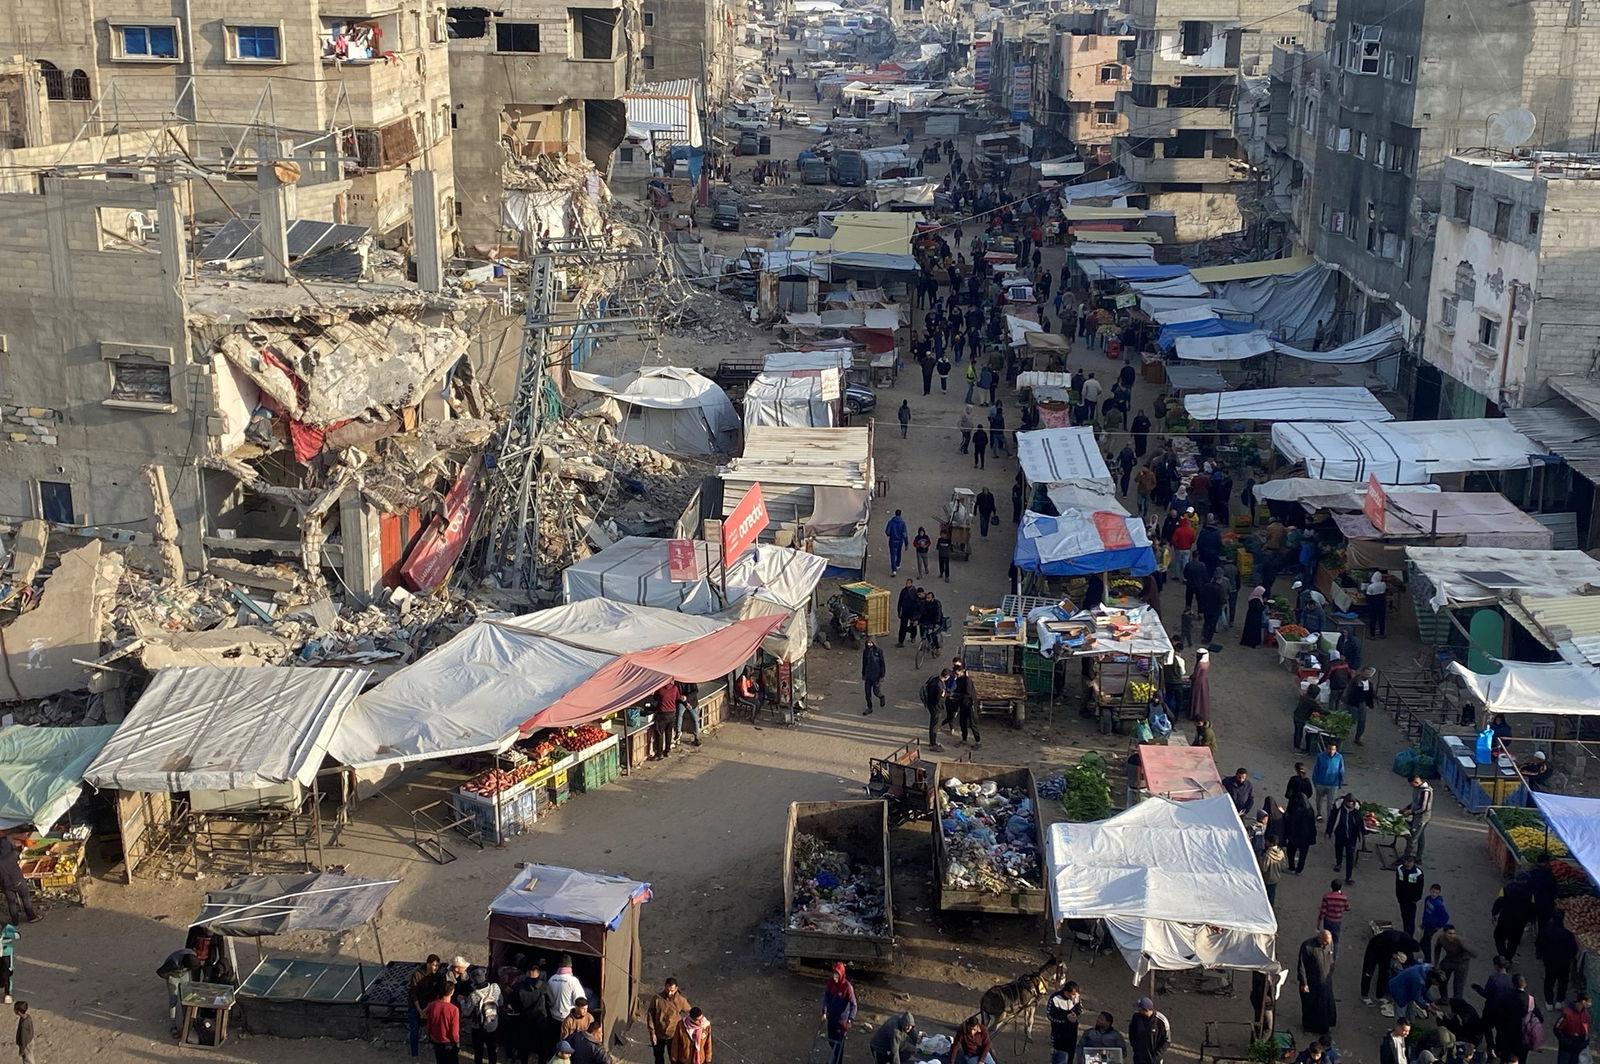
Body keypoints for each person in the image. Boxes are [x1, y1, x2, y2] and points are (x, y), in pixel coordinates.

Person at [1362, 929, 1421, 1004]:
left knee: (1384, 973)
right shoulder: (1395, 939)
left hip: (1387, 953)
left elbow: (1409, 958)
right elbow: (1384, 949)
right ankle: (1364, 995)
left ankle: (1380, 995)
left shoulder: (1407, 943)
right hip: (1375, 948)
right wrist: (1392, 955)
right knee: (1368, 972)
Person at [1298, 930, 1338, 1036]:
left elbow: (1331, 958)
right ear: (1320, 938)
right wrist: (1304, 983)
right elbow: (1301, 966)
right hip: (1312, 983)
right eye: (1325, 942)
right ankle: (1309, 1028)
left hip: (1325, 982)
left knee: (1325, 1005)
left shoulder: (1329, 944)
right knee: (1310, 1005)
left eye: (1328, 942)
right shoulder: (1307, 946)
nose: (1326, 945)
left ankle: (1324, 1027)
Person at [1538, 910, 1580, 1008]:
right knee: (1563, 982)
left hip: (1550, 962)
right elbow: (1574, 950)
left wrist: (1544, 956)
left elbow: (1539, 945)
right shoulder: (1568, 934)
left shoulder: (1545, 931)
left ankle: (1549, 1002)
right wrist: (1568, 957)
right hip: (1563, 962)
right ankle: (1559, 1001)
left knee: (1549, 981)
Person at [157, 946, 201, 1038]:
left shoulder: (192, 956)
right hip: (173, 976)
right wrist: (169, 978)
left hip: (184, 975)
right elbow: (160, 972)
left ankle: (186, 1022)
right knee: (173, 1001)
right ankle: (173, 1026)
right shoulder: (173, 963)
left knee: (186, 998)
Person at [1494, 875, 1537, 961]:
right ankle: (1508, 958)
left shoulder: (1506, 888)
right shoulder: (1530, 893)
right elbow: (1532, 908)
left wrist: (1494, 913)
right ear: (1525, 881)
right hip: (1520, 922)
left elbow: (1499, 901)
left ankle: (1502, 954)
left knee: (1498, 937)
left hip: (1505, 918)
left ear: (1515, 879)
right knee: (1514, 941)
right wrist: (1532, 921)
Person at [647, 979, 690, 1064]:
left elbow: (689, 1013)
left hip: (673, 1035)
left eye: (672, 991)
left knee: (674, 1059)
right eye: (667, 990)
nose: (669, 993)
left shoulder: (681, 1000)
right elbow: (650, 1015)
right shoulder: (657, 999)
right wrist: (652, 1033)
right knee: (658, 1058)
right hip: (659, 1034)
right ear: (664, 987)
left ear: (676, 989)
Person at [409, 956, 445, 1056]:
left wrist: (428, 1007)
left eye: (437, 966)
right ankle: (414, 1052)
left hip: (430, 1005)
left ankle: (433, 1047)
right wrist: (420, 1010)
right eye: (434, 965)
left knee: (434, 1027)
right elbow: (413, 994)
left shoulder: (438, 976)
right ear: (428, 964)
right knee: (414, 1029)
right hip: (416, 1005)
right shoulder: (417, 975)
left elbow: (439, 993)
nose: (436, 968)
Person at [821, 963, 857, 1064]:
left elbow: (854, 1005)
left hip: (841, 1021)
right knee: (831, 1041)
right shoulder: (830, 983)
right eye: (834, 975)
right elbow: (826, 997)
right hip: (831, 1018)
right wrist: (824, 1011)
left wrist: (850, 1019)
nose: (835, 978)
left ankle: (837, 1062)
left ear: (841, 975)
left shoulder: (847, 987)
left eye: (837, 976)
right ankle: (835, 1059)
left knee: (839, 1045)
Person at [465, 968, 502, 1064]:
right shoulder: (495, 988)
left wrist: (461, 1001)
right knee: (492, 1050)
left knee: (478, 1052)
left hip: (478, 1027)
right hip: (493, 1024)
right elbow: (501, 1002)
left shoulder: (474, 995)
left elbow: (467, 1012)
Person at [1327, 794, 1367, 882]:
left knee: (1350, 856)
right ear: (1345, 802)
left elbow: (1360, 822)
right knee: (1338, 849)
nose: (1351, 805)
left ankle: (1349, 876)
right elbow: (1332, 819)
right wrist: (1329, 831)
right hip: (1340, 834)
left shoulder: (1356, 811)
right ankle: (1338, 863)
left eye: (1352, 803)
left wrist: (1363, 831)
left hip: (1352, 837)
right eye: (1349, 802)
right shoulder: (1339, 809)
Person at [1434, 926, 1478, 1002]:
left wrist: (1466, 947)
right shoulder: (1441, 939)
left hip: (1462, 962)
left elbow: (1473, 952)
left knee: (1458, 985)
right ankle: (1444, 999)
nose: (1452, 936)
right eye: (1450, 933)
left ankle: (1456, 1004)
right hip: (1449, 959)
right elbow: (1437, 949)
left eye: (1454, 933)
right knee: (1441, 978)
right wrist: (1436, 964)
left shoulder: (1459, 941)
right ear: (1444, 933)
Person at [0, 834, 35, 930]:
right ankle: (31, 917)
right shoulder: (12, 855)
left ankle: (15, 921)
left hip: (6, 885)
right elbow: (19, 852)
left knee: (11, 903)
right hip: (18, 881)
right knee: (25, 899)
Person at [426, 981, 463, 1064]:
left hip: (436, 1041)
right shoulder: (454, 1009)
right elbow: (454, 1031)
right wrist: (457, 1042)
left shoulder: (432, 1005)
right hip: (449, 1043)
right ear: (452, 992)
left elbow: (429, 1024)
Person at [1047, 982, 1084, 1064]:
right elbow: (1050, 1015)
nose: (1075, 997)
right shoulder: (1055, 999)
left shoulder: (1076, 997)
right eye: (1073, 994)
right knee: (1060, 1057)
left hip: (1072, 1032)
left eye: (1076, 994)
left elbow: (1080, 1009)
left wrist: (1075, 1014)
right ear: (1067, 992)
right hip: (1059, 1033)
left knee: (1070, 1055)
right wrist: (1066, 1017)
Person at [1283, 792, 1318, 874]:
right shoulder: (1310, 810)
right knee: (1303, 854)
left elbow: (1290, 821)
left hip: (1295, 836)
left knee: (1291, 852)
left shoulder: (1297, 811)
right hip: (1307, 837)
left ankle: (1292, 867)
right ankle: (1299, 870)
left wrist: (1285, 814)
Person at [1128, 996, 1171, 1064]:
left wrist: (1157, 1056)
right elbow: (1132, 1033)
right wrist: (1136, 1048)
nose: (1138, 1011)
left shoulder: (1161, 1021)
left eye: (1140, 1010)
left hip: (1154, 1059)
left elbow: (1166, 1041)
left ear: (1146, 1010)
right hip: (1139, 1058)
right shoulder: (1136, 1018)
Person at [1312, 743, 1346, 821]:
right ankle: (1319, 814)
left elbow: (1341, 770)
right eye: (1330, 749)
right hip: (1321, 783)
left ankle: (1329, 819)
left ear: (1336, 749)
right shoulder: (1320, 756)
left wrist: (1340, 782)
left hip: (1333, 785)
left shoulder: (1339, 757)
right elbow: (1316, 769)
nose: (1331, 751)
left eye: (1333, 749)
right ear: (1327, 749)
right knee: (1319, 800)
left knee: (1330, 803)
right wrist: (1315, 781)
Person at [1554, 991, 1590, 1064]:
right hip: (1566, 1046)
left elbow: (1585, 1030)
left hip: (1577, 1046)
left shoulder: (1585, 1014)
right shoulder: (1567, 1013)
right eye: (1588, 1002)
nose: (1590, 1004)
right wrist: (1565, 1041)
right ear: (1583, 1002)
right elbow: (1556, 1029)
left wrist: (1585, 1043)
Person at [546, 956, 582, 1028]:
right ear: (570, 965)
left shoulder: (551, 979)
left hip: (552, 1016)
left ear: (559, 965)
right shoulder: (573, 980)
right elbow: (580, 1000)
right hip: (567, 1018)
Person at [1395, 855, 1426, 937]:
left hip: (1411, 901)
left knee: (1410, 920)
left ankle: (1409, 937)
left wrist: (1415, 899)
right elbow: (1397, 883)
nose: (1408, 864)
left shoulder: (1418, 873)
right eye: (1406, 862)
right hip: (1402, 898)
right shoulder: (1400, 869)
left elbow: (1420, 887)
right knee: (1404, 917)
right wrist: (1398, 896)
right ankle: (1406, 934)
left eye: (1410, 862)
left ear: (1413, 863)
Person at [1405, 776, 1434, 860]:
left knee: (1413, 839)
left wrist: (1411, 812)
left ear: (1416, 782)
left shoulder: (1426, 791)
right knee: (1420, 837)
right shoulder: (1418, 789)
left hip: (1421, 818)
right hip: (1416, 816)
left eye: (1411, 784)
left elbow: (1424, 808)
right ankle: (1418, 858)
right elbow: (1415, 802)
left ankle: (1406, 858)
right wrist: (1406, 808)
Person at [951, 664, 980, 747]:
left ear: (961, 672)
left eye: (957, 673)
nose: (956, 675)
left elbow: (968, 694)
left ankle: (978, 741)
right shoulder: (958, 680)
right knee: (962, 722)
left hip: (970, 705)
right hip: (963, 704)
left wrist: (955, 695)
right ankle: (964, 739)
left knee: (972, 723)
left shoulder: (967, 681)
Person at [1420, 885, 1451, 959]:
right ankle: (1426, 957)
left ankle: (1427, 960)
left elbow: (1446, 917)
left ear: (1439, 893)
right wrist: (1423, 923)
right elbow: (1425, 912)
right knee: (1424, 942)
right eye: (1433, 892)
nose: (1434, 894)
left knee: (1425, 943)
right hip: (1427, 924)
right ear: (1430, 890)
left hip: (1432, 927)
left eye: (1436, 893)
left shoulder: (1438, 904)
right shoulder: (1427, 899)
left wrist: (1438, 926)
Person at [1347, 668, 1376, 745]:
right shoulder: (1355, 680)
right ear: (1362, 673)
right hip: (1353, 703)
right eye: (1366, 674)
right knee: (1351, 720)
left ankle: (1358, 738)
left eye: (1369, 674)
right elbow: (1349, 690)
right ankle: (1344, 734)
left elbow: (1371, 692)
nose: (1368, 676)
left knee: (1362, 721)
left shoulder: (1369, 682)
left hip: (1363, 703)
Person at [921, 670, 948, 750]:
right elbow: (939, 699)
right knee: (934, 725)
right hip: (936, 708)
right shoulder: (939, 686)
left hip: (930, 705)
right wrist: (944, 695)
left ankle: (932, 742)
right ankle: (933, 743)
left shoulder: (934, 679)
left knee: (933, 724)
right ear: (946, 676)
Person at [1320, 880, 1351, 949]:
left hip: (1327, 920)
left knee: (1326, 937)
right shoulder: (1343, 898)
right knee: (1335, 940)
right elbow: (1348, 908)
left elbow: (1323, 910)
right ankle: (1333, 956)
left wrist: (1319, 921)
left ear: (1331, 887)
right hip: (1337, 921)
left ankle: (1325, 953)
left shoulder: (1327, 896)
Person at [861, 638, 886, 714]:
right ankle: (869, 707)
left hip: (876, 676)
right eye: (868, 643)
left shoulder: (879, 651)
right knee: (867, 693)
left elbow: (882, 664)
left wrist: (882, 675)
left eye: (871, 643)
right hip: (868, 675)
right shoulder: (865, 652)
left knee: (876, 691)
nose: (869, 644)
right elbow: (864, 663)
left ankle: (881, 697)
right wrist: (863, 674)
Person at [1293, 685, 1321, 753]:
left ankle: (1296, 746)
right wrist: (1329, 713)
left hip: (1297, 715)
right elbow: (1319, 709)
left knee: (1298, 731)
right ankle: (1297, 748)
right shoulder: (1310, 701)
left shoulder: (1304, 697)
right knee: (1299, 732)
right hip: (1302, 717)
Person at [1261, 835, 1287, 905]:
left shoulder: (1267, 855)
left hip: (1268, 878)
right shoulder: (1281, 852)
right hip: (1276, 877)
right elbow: (1283, 865)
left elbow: (1264, 868)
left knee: (1267, 895)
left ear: (1271, 843)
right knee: (1272, 894)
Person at [1190, 648, 1212, 724]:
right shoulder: (1207, 662)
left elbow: (1196, 674)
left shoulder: (1200, 664)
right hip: (1204, 681)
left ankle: (1195, 712)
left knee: (1197, 697)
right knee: (1203, 697)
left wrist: (1190, 677)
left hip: (1198, 682)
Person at [896, 579, 920, 648]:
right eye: (906, 583)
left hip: (912, 611)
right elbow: (900, 601)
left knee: (913, 625)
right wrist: (899, 611)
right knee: (902, 626)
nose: (907, 584)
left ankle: (913, 636)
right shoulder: (903, 591)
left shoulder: (915, 591)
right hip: (904, 611)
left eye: (908, 583)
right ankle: (900, 641)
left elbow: (917, 603)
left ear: (911, 583)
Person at [886, 510, 909, 575]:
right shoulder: (902, 523)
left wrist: (891, 535)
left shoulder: (891, 522)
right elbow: (904, 534)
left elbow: (887, 532)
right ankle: (898, 564)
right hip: (899, 541)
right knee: (899, 553)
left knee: (893, 555)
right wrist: (906, 543)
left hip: (892, 540)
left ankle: (894, 570)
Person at [1366, 570, 1389, 637]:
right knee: (1381, 619)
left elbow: (1368, 597)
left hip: (1373, 605)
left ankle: (1372, 634)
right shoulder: (1383, 584)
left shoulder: (1371, 586)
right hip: (1382, 604)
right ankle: (1382, 633)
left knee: (1373, 620)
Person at [0, 921, 15, 1004]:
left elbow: (17, 935)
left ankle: (8, 993)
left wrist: (5, 936)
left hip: (6, 953)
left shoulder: (7, 927)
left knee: (7, 974)